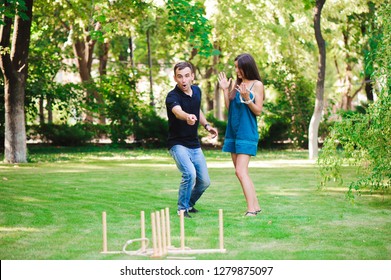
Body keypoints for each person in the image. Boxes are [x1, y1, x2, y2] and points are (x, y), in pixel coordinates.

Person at [166, 61, 218, 218]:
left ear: (192, 77)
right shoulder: (172, 96)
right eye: (180, 76)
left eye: (187, 76)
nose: (183, 80)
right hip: (177, 144)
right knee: (190, 173)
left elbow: (198, 110)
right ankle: (182, 209)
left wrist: (207, 126)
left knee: (204, 182)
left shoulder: (197, 91)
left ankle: (189, 204)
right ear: (175, 78)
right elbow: (177, 111)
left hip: (194, 145)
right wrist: (187, 116)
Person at [217, 53, 265, 217]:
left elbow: (258, 110)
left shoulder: (257, 85)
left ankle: (251, 210)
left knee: (240, 171)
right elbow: (230, 108)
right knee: (241, 172)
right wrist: (225, 90)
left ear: (247, 67)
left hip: (247, 132)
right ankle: (256, 205)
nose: (236, 70)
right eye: (235, 67)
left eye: (239, 67)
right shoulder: (237, 84)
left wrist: (247, 99)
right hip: (233, 132)